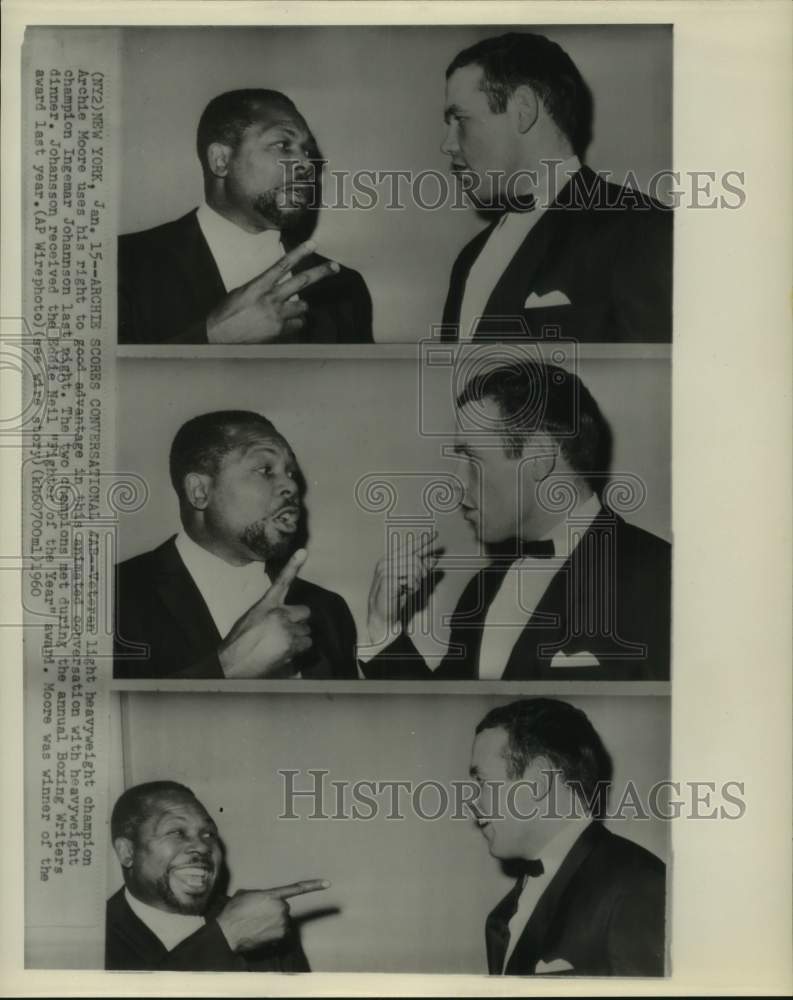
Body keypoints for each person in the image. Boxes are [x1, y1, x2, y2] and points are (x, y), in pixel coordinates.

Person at [362, 361, 670, 680]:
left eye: (471, 457)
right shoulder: (481, 590)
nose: (456, 483)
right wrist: (383, 626)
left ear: (539, 458)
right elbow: (439, 707)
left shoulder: (661, 578)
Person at [439, 32, 672, 343]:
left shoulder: (641, 231)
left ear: (523, 110)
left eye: (460, 119)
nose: (447, 144)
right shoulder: (468, 260)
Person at [114, 410, 358, 679]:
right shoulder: (109, 598)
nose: (291, 485)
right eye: (265, 470)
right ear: (199, 491)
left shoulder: (327, 610)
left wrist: (383, 632)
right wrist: (227, 667)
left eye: (290, 472)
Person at [119, 89, 373, 344]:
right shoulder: (121, 266)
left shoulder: (344, 288)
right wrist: (213, 337)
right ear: (221, 160)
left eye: (307, 151)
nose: (307, 165)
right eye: (282, 145)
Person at [469, 699, 666, 976]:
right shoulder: (506, 912)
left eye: (483, 782)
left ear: (537, 782)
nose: (473, 802)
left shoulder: (637, 886)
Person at [106, 780, 328, 971]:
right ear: (127, 852)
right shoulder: (96, 936)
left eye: (208, 834)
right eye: (176, 832)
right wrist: (225, 937)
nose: (203, 847)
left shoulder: (265, 920)